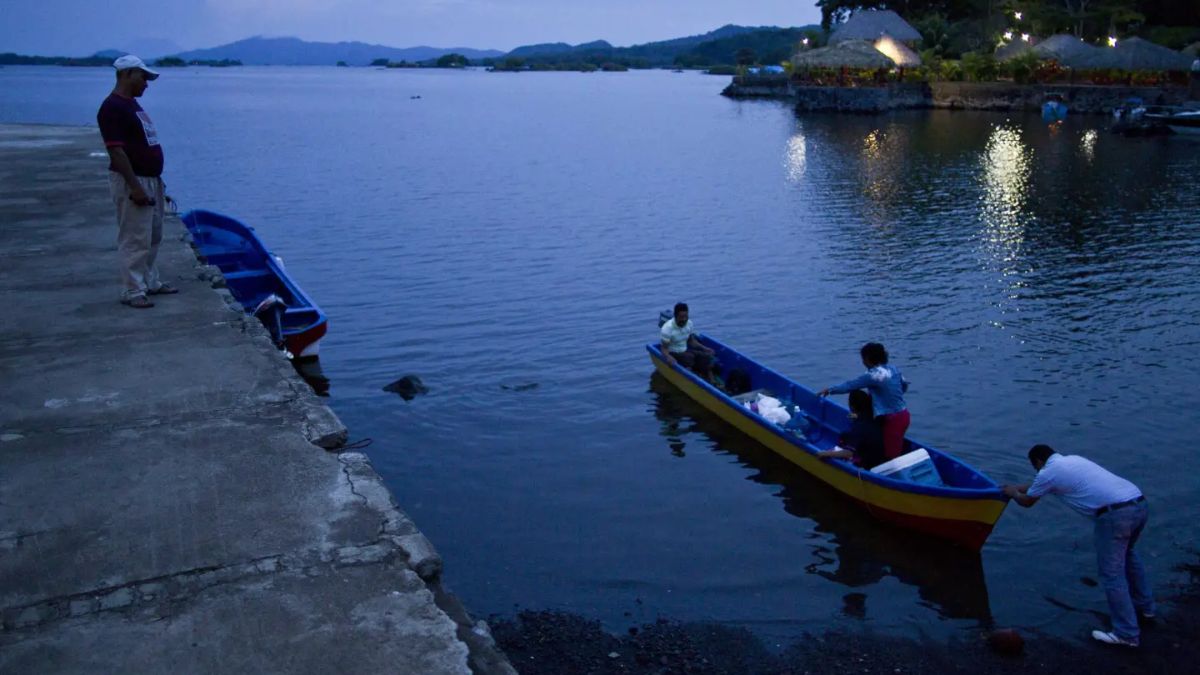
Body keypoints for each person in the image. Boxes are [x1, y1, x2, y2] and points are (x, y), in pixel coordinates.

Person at [1002, 444, 1155, 648]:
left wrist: (1013, 493)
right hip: (1138, 504)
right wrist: (1016, 487)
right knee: (1129, 556)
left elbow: (1027, 502)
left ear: (1038, 461)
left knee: (1112, 574)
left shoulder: (1047, 473)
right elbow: (1037, 485)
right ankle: (1146, 608)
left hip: (1114, 517)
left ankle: (1127, 633)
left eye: (1035, 467)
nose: (1037, 472)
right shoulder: (1072, 460)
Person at [97, 54, 178, 308]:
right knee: (135, 237)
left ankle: (149, 281)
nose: (146, 83)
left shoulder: (132, 105)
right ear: (126, 74)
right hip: (134, 181)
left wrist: (155, 182)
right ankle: (132, 290)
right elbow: (116, 151)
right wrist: (135, 187)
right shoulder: (112, 107)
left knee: (153, 235)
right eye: (143, 77)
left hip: (150, 179)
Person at [818, 342, 909, 459]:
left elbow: (850, 385)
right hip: (902, 414)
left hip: (893, 420)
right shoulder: (894, 369)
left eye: (863, 359)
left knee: (890, 456)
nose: (862, 362)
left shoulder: (872, 375)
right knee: (886, 446)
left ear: (867, 359)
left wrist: (830, 390)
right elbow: (904, 386)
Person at [817, 389, 886, 469]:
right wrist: (856, 416)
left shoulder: (859, 427)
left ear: (852, 407)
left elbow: (849, 453)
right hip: (879, 456)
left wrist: (825, 453)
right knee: (845, 435)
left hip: (867, 464)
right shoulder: (874, 416)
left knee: (845, 439)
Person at [659, 302, 715, 381]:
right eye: (681, 317)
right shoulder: (667, 328)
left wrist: (705, 348)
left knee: (707, 357)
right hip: (674, 353)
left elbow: (691, 341)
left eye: (686, 316)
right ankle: (694, 376)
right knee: (689, 357)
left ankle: (711, 380)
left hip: (685, 351)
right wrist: (668, 357)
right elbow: (664, 349)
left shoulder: (689, 324)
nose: (684, 319)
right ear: (675, 316)